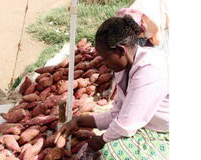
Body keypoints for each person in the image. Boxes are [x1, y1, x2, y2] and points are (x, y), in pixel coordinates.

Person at [55, 15, 169, 159]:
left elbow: (127, 123)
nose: (105, 64)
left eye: (106, 58)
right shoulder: (124, 68)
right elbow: (117, 114)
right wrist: (79, 122)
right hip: (146, 125)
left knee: (111, 153)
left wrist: (102, 139)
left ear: (121, 51)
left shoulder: (150, 69)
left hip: (165, 133)